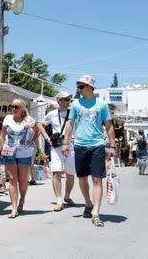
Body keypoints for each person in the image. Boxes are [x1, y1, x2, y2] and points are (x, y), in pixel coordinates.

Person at [62, 75, 116, 227]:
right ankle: (88, 203)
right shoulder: (75, 104)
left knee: (97, 179)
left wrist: (112, 145)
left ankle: (96, 213)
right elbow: (70, 123)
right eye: (78, 86)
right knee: (82, 178)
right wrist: (65, 143)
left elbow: (109, 125)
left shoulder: (102, 104)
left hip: (97, 145)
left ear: (90, 87)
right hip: (79, 145)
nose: (78, 90)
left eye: (81, 86)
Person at [0, 99, 40, 219]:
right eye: (12, 106)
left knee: (23, 180)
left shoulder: (29, 120)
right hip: (8, 151)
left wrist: (32, 140)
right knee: (11, 179)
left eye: (16, 107)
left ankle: (22, 199)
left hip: (24, 153)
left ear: (22, 108)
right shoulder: (7, 119)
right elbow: (2, 135)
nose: (13, 109)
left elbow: (38, 131)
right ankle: (14, 208)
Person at [37, 91, 76, 212]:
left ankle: (67, 196)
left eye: (68, 99)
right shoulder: (52, 114)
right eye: (64, 99)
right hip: (56, 146)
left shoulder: (74, 113)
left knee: (70, 173)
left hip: (71, 145)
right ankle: (59, 200)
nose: (67, 102)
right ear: (59, 101)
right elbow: (40, 125)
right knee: (56, 172)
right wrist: (47, 138)